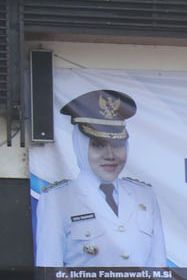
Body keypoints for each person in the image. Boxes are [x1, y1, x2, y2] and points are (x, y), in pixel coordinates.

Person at [35, 89, 167, 270]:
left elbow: (158, 272)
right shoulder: (57, 199)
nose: (110, 155)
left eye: (118, 145)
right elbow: (49, 275)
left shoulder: (144, 195)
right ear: (80, 147)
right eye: (98, 146)